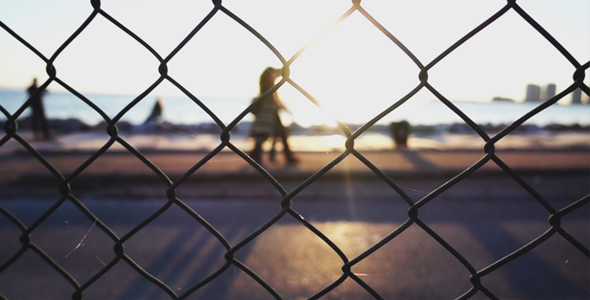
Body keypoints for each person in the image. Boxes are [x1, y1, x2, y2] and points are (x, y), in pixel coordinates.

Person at [249, 67, 298, 165]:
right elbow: (275, 102)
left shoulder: (269, 91)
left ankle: (256, 155)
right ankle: (256, 156)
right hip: (268, 116)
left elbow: (277, 101)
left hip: (270, 114)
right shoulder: (267, 92)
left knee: (267, 135)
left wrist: (285, 109)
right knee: (263, 136)